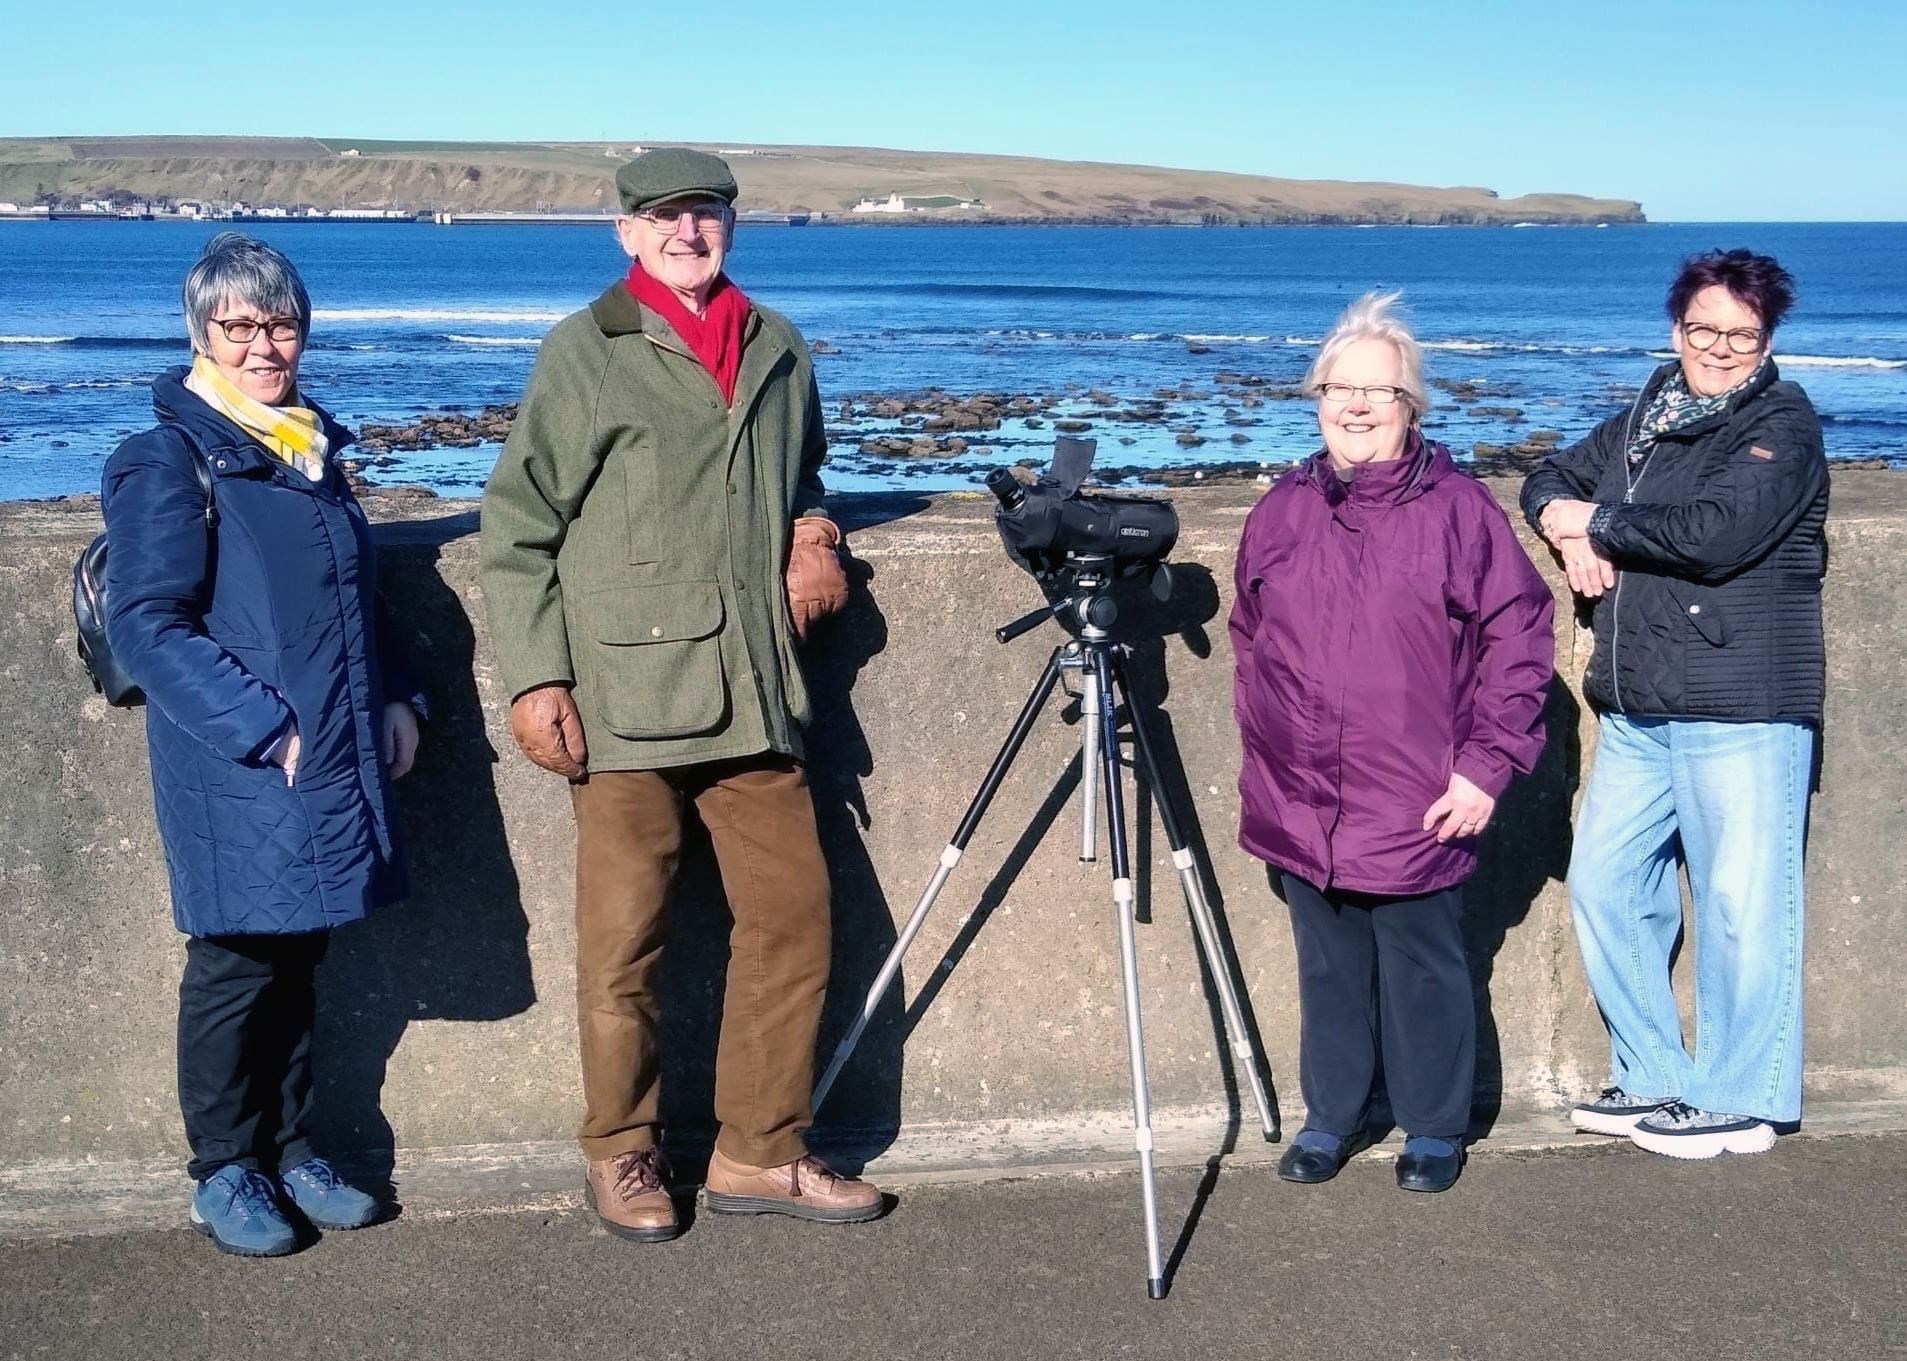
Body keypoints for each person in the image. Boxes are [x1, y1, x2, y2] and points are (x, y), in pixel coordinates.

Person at [479, 148, 874, 1243]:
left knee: (794, 922)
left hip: (755, 691)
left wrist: (812, 531)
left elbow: (804, 473)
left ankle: (760, 1149)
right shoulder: (584, 351)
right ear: (625, 233)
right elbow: (515, 530)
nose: (684, 233)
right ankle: (621, 1149)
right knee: (624, 946)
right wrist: (535, 676)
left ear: (731, 226)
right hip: (622, 698)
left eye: (702, 214)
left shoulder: (777, 346)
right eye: (662, 218)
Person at [100, 232, 425, 1256]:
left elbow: (350, 600)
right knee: (237, 958)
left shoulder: (305, 447)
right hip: (242, 757)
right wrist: (263, 726)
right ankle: (222, 1165)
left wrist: (400, 693)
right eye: (236, 324)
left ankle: (292, 1144)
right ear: (202, 333)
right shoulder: (169, 456)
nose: (260, 343)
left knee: (303, 948)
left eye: (278, 321)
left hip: (331, 741)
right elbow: (145, 622)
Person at [1230, 292, 1555, 1193]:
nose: (1358, 405)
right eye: (1340, 387)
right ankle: (1332, 1116)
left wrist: (1486, 767)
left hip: (1418, 793)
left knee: (1423, 966)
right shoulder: (1281, 510)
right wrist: (1266, 754)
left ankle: (1433, 1126)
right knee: (1328, 968)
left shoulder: (1458, 510)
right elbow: (1249, 635)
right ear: (1315, 396)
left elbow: (1521, 637)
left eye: (1381, 391)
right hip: (1301, 795)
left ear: (1412, 408)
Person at [1521, 250, 1827, 1159]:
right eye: (1704, 330)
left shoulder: (1782, 421)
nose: (1720, 349)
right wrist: (1559, 526)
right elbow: (1546, 475)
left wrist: (1599, 523)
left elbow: (1717, 533)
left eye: (1741, 334)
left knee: (1741, 904)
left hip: (1741, 701)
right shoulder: (1644, 417)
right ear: (1675, 329)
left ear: (1765, 339)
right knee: (1606, 883)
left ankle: (1742, 1096)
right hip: (1638, 699)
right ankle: (1655, 1071)